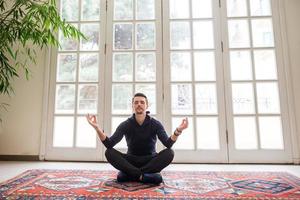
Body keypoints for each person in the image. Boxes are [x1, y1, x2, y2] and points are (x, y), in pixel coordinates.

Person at [86, 93, 188, 184]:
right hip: (131, 160)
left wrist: (178, 130)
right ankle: (145, 176)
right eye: (136, 102)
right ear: (132, 106)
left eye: (142, 102)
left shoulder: (155, 123)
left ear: (147, 106)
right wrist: (97, 128)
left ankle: (132, 174)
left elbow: (168, 143)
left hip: (150, 160)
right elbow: (109, 144)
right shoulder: (126, 124)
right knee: (109, 152)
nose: (139, 104)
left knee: (170, 152)